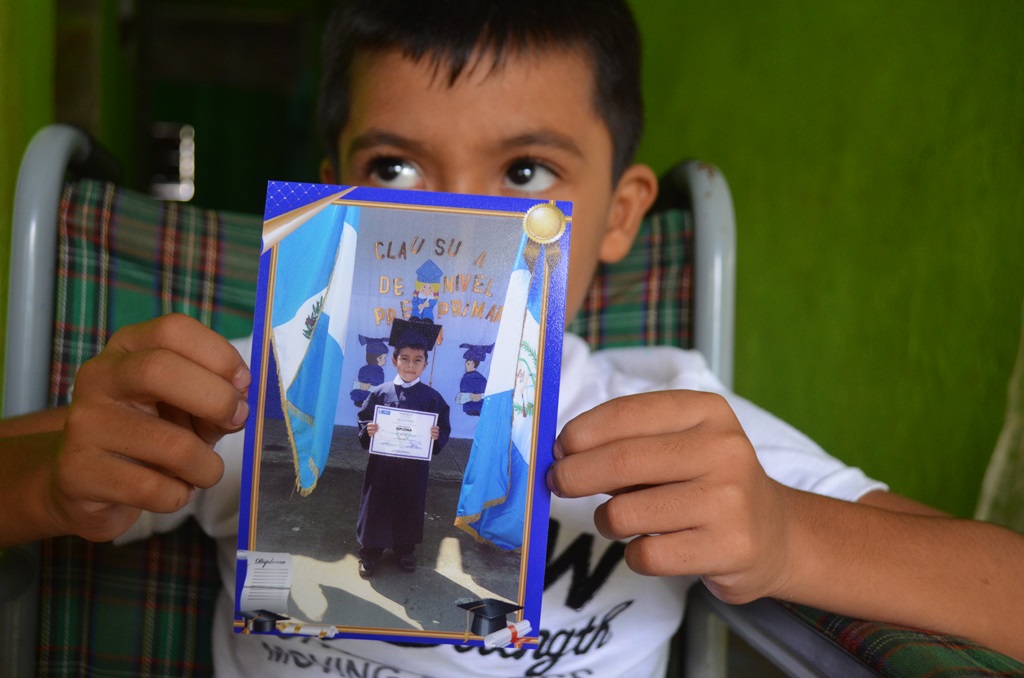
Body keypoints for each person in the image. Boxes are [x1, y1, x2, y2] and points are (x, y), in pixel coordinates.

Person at [1, 0, 1023, 675]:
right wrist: (51, 476)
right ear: (334, 191)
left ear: (618, 216)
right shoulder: (261, 389)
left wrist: (791, 534)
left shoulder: (666, 422)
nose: (456, 227)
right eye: (395, 169)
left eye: (526, 172)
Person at [355, 318, 451, 577]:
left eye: (417, 360)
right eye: (405, 359)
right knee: (377, 503)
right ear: (395, 360)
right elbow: (364, 420)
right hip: (382, 465)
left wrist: (435, 434)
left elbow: (443, 427)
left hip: (413, 467)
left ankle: (404, 550)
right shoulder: (379, 392)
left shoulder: (432, 398)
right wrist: (369, 430)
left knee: (409, 504)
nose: (411, 365)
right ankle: (370, 552)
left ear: (425, 364)